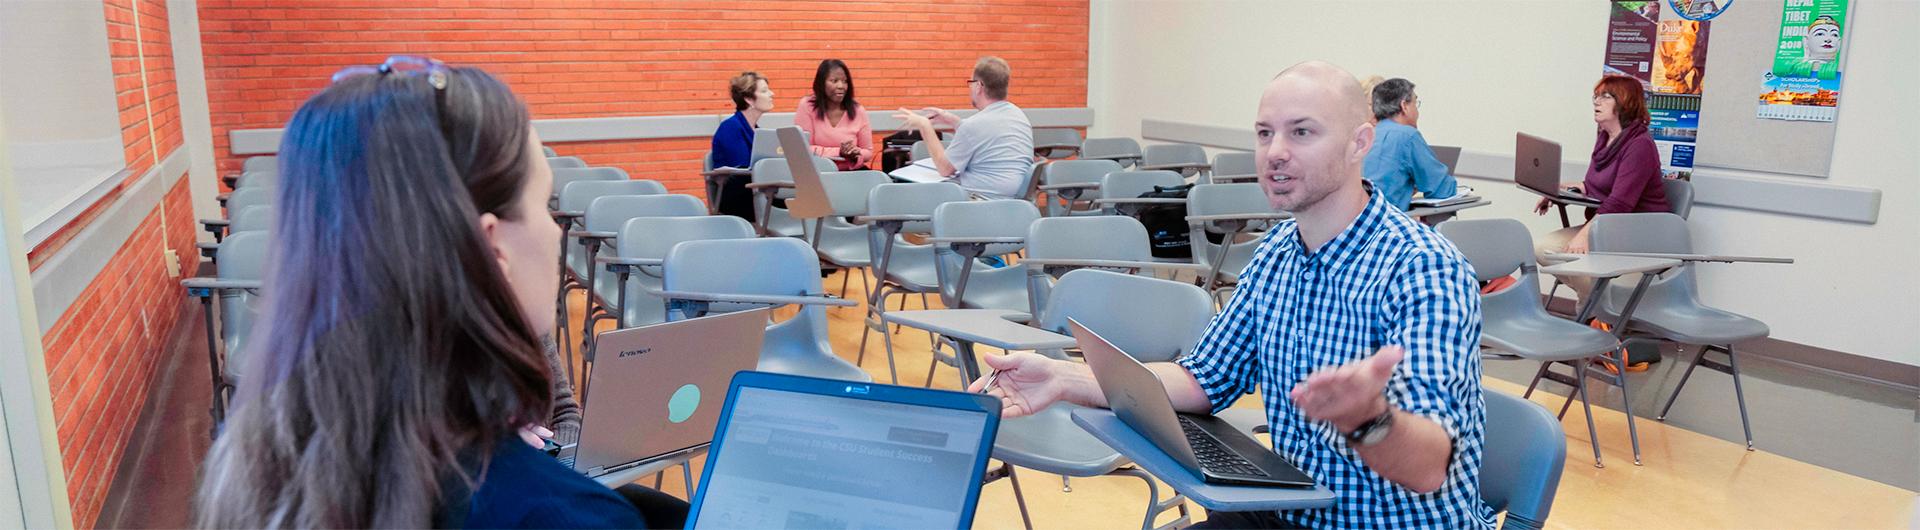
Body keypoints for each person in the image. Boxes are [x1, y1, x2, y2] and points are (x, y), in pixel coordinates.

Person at [970, 61, 1492, 529]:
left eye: (1302, 132)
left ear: (1360, 143)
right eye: (1265, 133)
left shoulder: (1424, 270)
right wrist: (1064, 376)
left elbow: (1427, 470)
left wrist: (1367, 419)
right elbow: (1204, 379)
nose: (1276, 152)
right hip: (1292, 511)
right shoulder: (1277, 253)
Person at [193, 57, 685, 528]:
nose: (557, 232)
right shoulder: (562, 515)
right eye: (543, 203)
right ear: (493, 247)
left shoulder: (255, 460)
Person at [1533, 75, 1669, 259]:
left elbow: (1619, 203)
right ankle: (1597, 288)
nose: (1597, 102)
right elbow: (1596, 185)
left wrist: (1584, 236)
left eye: (1605, 96)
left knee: (1554, 252)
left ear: (1625, 103)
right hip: (1609, 227)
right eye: (1596, 96)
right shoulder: (1605, 137)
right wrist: (1558, 190)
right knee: (1543, 249)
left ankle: (1603, 288)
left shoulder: (1640, 145)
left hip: (1637, 234)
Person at [892, 56, 1034, 199]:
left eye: (970, 83)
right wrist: (955, 121)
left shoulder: (973, 126)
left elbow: (944, 168)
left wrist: (924, 126)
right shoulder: (1018, 116)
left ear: (978, 86)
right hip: (1014, 202)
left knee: (907, 195)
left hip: (980, 201)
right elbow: (983, 135)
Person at [1362, 78, 1457, 211]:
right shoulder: (1408, 136)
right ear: (1404, 106)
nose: (1417, 111)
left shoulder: (1367, 135)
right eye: (1415, 103)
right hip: (1386, 222)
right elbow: (1441, 189)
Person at [710, 71, 775, 221]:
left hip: (756, 190)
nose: (772, 94)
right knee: (795, 197)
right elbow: (741, 169)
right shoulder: (730, 127)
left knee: (800, 193)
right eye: (765, 91)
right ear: (749, 99)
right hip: (737, 195)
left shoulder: (758, 130)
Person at [794, 59, 873, 171]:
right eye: (834, 81)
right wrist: (838, 152)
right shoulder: (807, 106)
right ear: (821, 83)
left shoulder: (858, 110)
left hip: (850, 172)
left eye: (845, 81)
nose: (841, 86)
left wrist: (855, 153)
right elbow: (802, 148)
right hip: (818, 172)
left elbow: (868, 151)